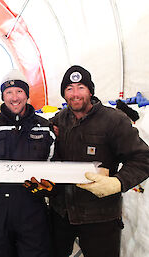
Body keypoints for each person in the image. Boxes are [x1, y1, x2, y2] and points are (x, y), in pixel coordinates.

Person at [49, 65, 149, 257]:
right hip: (62, 214)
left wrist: (118, 182)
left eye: (81, 88)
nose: (75, 94)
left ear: (90, 90)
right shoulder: (59, 120)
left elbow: (143, 158)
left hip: (100, 217)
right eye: (69, 89)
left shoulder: (113, 121)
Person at [0, 69, 56, 257]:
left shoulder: (45, 129)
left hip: (32, 213)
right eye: (9, 92)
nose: (14, 97)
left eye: (19, 91)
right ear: (2, 96)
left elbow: (55, 171)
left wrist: (50, 189)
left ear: (27, 95)